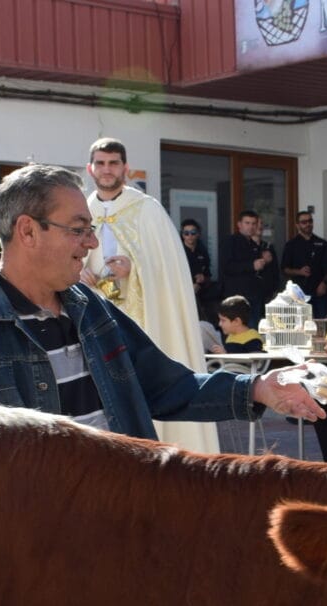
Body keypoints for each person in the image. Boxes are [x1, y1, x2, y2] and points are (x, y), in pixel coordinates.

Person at [0, 164, 322, 436]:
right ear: (27, 231)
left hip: (122, 523)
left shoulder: (89, 308)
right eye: (79, 229)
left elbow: (167, 387)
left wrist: (258, 389)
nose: (92, 243)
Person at [81, 137, 218, 454]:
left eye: (113, 163)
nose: (106, 169)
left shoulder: (147, 211)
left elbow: (168, 271)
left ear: (125, 168)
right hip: (94, 318)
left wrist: (135, 269)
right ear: (90, 169)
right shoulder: (81, 210)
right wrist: (78, 273)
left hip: (144, 321)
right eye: (100, 163)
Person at [220, 210, 279, 325]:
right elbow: (226, 267)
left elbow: (261, 270)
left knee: (253, 332)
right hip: (237, 297)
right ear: (239, 224)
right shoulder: (230, 241)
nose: (251, 227)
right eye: (247, 223)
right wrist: (251, 265)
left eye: (253, 223)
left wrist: (265, 261)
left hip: (256, 296)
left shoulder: (255, 245)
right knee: (240, 331)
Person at [281, 210, 327, 319]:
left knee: (320, 324)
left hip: (319, 290)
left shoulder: (322, 243)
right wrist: (299, 271)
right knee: (300, 325)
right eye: (304, 222)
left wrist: (324, 283)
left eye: (310, 221)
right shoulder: (291, 245)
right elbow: (284, 269)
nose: (308, 224)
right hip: (298, 292)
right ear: (297, 225)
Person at [180, 219, 216, 324]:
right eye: (186, 233)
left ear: (198, 234)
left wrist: (203, 278)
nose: (189, 236)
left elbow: (208, 275)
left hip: (202, 296)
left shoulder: (203, 251)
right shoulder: (179, 252)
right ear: (182, 235)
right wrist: (189, 286)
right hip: (183, 295)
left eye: (193, 233)